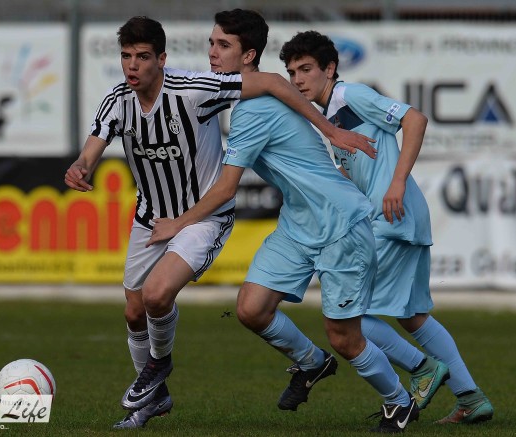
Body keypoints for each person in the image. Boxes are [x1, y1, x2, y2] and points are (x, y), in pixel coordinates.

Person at [64, 16, 374, 430]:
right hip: (150, 218)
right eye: (126, 56)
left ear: (161, 59)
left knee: (157, 295)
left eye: (142, 57)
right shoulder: (117, 101)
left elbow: (272, 82)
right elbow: (91, 150)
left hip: (201, 217)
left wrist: (330, 130)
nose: (132, 66)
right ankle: (156, 396)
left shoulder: (194, 89)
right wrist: (80, 167)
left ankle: (158, 367)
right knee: (135, 312)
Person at [148, 9, 420, 433]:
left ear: (248, 55)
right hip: (299, 224)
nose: (212, 52)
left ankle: (399, 401)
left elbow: (226, 188)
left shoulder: (253, 110)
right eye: (212, 43)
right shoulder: (252, 98)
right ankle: (311, 362)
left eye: (224, 45)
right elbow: (272, 85)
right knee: (251, 308)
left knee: (345, 337)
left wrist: (177, 223)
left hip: (340, 224)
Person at [279, 30, 494, 425]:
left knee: (348, 317)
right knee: (414, 317)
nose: (298, 79)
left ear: (330, 68)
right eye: (292, 72)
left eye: (306, 69)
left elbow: (415, 119)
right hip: (401, 216)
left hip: (392, 216)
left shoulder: (351, 95)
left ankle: (423, 370)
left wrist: (396, 181)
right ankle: (471, 399)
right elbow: (357, 169)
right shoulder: (328, 116)